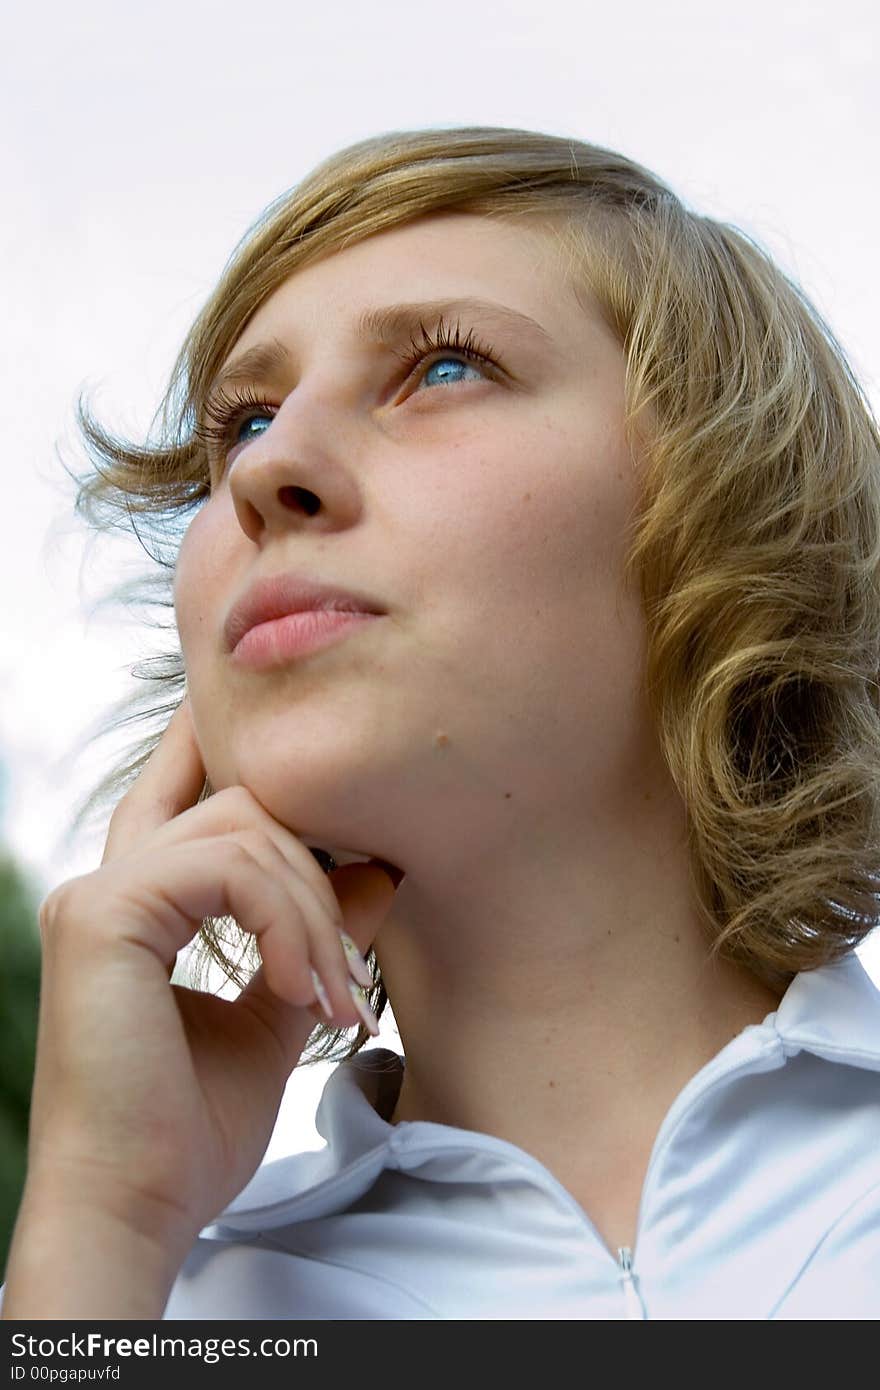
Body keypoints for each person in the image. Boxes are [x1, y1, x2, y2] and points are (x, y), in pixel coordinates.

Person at [2, 125, 880, 1321]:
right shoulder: (134, 1302)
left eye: (443, 368)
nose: (268, 470)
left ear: (730, 514)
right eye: (243, 423)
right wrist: (103, 1219)